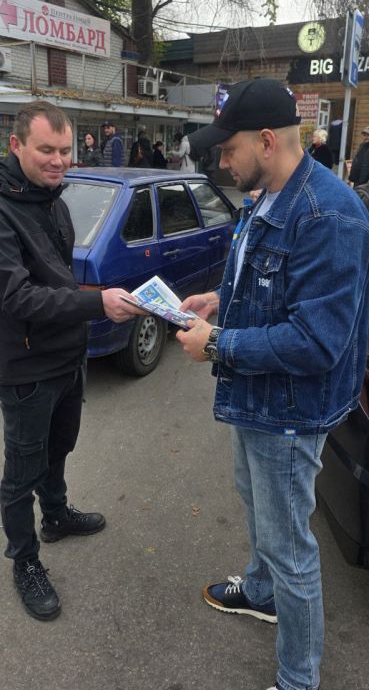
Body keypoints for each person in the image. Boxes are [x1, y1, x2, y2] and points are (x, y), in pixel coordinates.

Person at [176, 78, 369, 690]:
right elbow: (265, 287)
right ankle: (260, 591)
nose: (220, 162)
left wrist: (217, 344)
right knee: (257, 506)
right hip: (257, 399)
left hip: (289, 410)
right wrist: (218, 302)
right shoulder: (267, 193)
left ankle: (297, 679)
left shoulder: (329, 214)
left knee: (291, 549)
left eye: (227, 150)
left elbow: (317, 342)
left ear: (266, 140)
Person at [0, 101, 139, 622]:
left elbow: (57, 273)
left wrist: (90, 300)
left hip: (67, 356)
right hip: (27, 368)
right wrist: (95, 302)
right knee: (21, 470)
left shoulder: (54, 198)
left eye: (65, 150)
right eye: (46, 151)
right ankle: (25, 561)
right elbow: (17, 298)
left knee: (61, 445)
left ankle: (55, 516)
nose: (60, 161)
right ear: (16, 146)